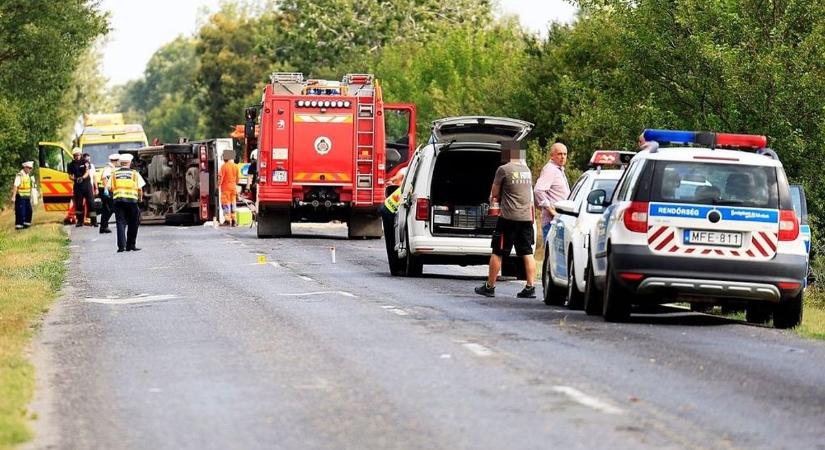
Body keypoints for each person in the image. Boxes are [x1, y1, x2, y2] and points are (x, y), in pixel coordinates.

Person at [475, 143, 537, 298]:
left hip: (509, 218)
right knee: (527, 251)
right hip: (526, 218)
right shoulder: (526, 171)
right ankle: (530, 287)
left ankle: (490, 286)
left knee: (498, 251)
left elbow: (494, 193)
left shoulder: (504, 169)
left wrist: (496, 197)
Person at [533, 142, 570, 240]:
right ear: (552, 156)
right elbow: (538, 190)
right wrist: (550, 209)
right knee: (552, 254)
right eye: (559, 154)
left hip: (559, 221)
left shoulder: (558, 169)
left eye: (564, 154)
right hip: (553, 222)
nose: (562, 157)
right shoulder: (550, 169)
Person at [112, 154, 145, 252]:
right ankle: (131, 245)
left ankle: (121, 247)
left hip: (118, 201)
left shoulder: (114, 174)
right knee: (133, 223)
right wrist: (140, 198)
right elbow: (140, 188)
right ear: (130, 163)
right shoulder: (134, 174)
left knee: (120, 223)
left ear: (120, 163)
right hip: (132, 201)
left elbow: (111, 188)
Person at [380, 167, 407, 273]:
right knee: (391, 240)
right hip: (389, 209)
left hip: (388, 207)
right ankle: (395, 267)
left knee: (392, 240)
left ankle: (395, 267)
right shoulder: (407, 172)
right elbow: (399, 177)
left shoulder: (408, 171)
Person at [67, 148, 96, 227]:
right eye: (75, 156)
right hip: (77, 186)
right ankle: (80, 221)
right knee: (79, 204)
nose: (76, 157)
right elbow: (70, 175)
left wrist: (82, 178)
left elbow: (87, 172)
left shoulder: (85, 162)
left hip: (86, 185)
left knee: (91, 203)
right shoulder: (71, 164)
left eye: (78, 155)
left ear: (80, 154)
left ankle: (94, 221)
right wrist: (75, 179)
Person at [97, 153, 119, 234]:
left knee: (106, 209)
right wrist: (106, 189)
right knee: (110, 208)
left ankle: (103, 227)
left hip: (107, 189)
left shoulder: (111, 168)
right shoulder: (108, 168)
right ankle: (103, 226)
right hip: (105, 190)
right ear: (116, 161)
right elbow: (104, 178)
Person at [10, 161, 36, 230]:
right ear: (25, 167)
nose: (30, 170)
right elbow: (15, 186)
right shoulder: (20, 175)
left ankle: (26, 225)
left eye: (31, 168)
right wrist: (13, 196)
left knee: (29, 211)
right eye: (29, 168)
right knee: (21, 212)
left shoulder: (28, 175)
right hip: (20, 197)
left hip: (27, 197)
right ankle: (19, 227)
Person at [218, 151, 239, 226]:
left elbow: (221, 178)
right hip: (233, 188)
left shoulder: (224, 166)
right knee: (233, 203)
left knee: (225, 203)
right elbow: (237, 179)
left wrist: (217, 187)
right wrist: (234, 185)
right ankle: (234, 221)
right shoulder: (235, 166)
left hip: (226, 189)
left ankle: (227, 221)